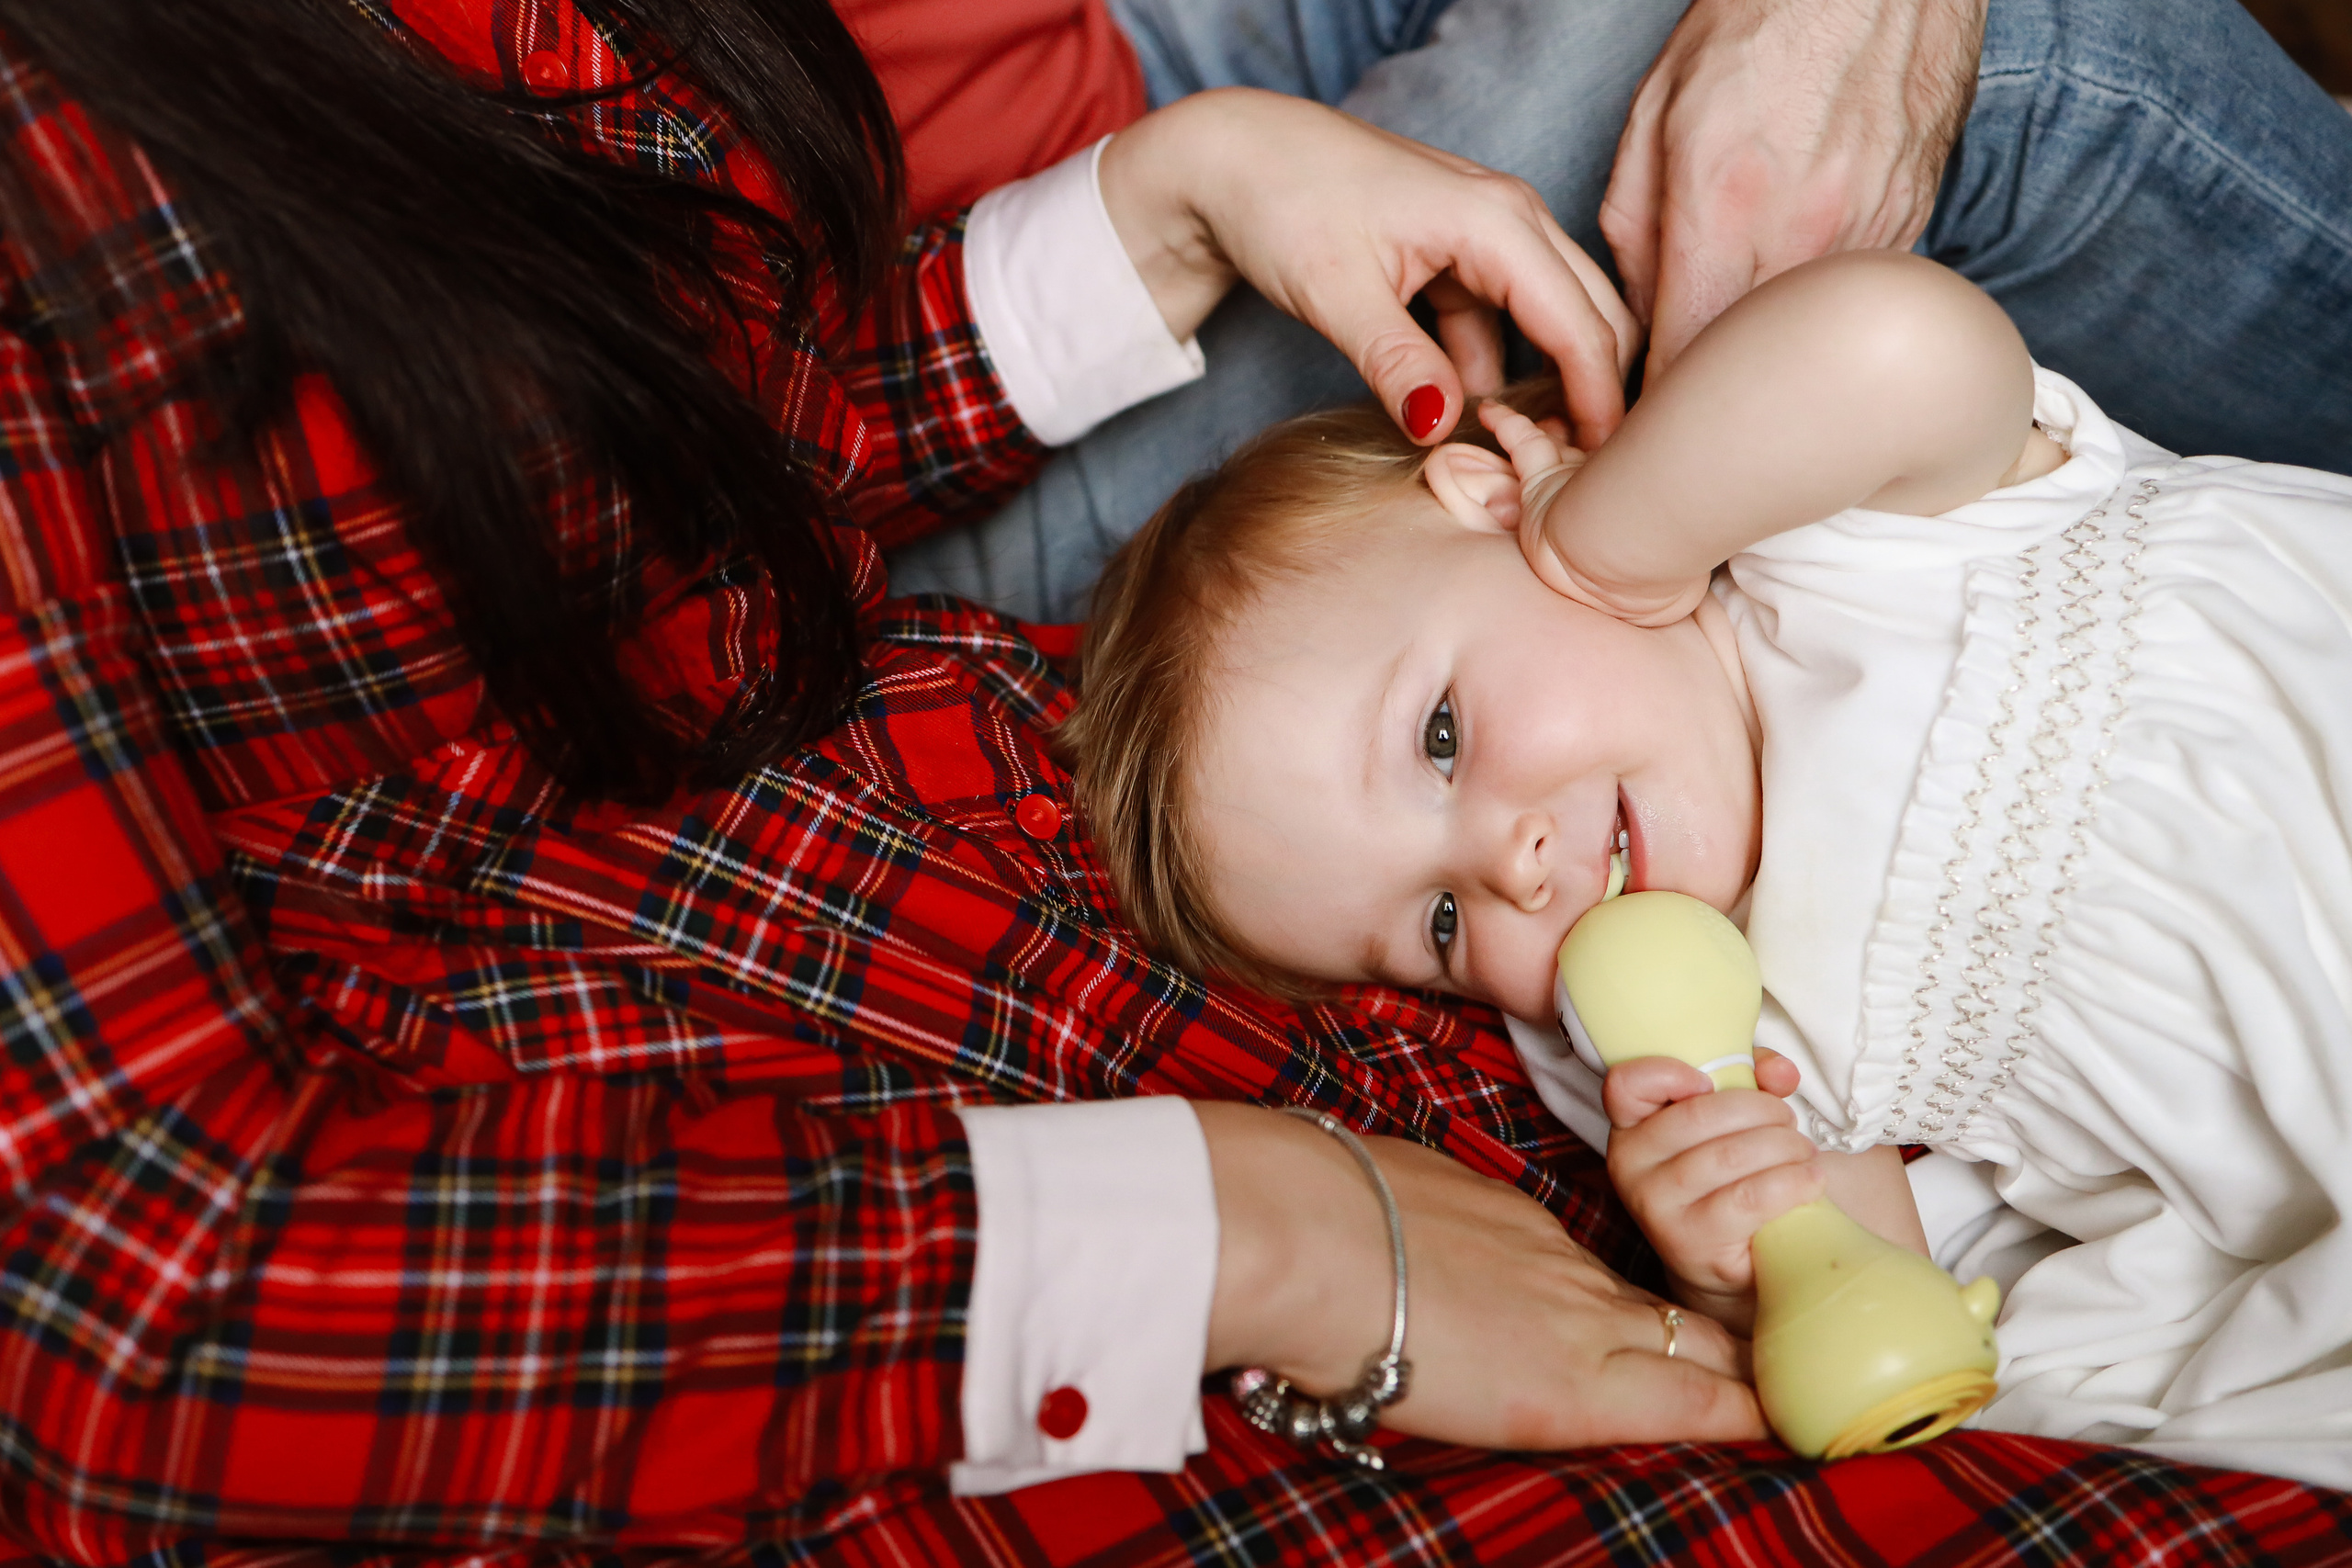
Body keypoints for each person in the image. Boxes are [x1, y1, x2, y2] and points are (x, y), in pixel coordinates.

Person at [0, 0, 1785, 1556]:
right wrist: (1258, 1237)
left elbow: (612, 510)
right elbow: (136, 1316)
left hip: (939, 794)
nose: (1521, 861)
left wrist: (1159, 208)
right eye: (1444, 905)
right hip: (694, 1234)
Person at [1061, 249, 2352, 1486]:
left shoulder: (1834, 548)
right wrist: (1746, 1256)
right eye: (1441, 923)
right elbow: (1898, 1299)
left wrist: (1608, 539)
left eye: (1441, 739)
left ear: (1498, 499)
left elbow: (1904, 341)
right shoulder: (1694, 1040)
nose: (1512, 869)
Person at [885, 0, 2352, 626]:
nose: (1526, 866)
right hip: (919, 437)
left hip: (1072, 69)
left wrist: (1194, 168)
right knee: (1802, 115)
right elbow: (1895, 349)